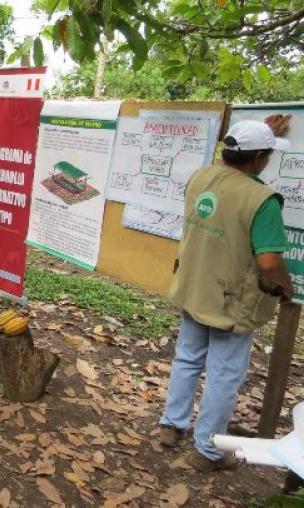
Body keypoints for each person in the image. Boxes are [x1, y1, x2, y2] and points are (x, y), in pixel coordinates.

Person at [158, 118, 294, 472]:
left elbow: (228, 173)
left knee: (187, 358)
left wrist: (261, 133)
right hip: (231, 300)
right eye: (267, 155)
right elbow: (268, 262)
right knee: (224, 375)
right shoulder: (262, 201)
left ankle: (172, 425)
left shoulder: (200, 177)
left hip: (195, 286)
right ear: (259, 158)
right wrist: (285, 284)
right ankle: (208, 450)